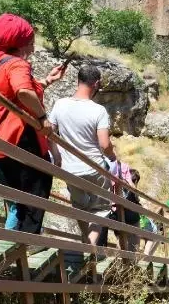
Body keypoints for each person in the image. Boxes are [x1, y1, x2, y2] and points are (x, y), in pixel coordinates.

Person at [0, 13, 66, 234]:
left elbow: (14, 91)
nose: (32, 46)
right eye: (30, 41)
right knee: (36, 187)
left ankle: (14, 240)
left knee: (20, 197)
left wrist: (48, 81)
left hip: (0, 139)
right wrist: (42, 118)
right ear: (20, 42)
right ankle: (26, 241)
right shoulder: (17, 64)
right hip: (20, 136)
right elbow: (22, 92)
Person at [48, 65, 118, 245]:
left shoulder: (60, 104)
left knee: (79, 206)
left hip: (69, 168)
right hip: (94, 167)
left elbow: (49, 133)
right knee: (101, 208)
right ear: (96, 84)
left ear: (78, 81)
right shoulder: (98, 110)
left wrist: (56, 157)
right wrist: (112, 157)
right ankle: (91, 244)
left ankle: (85, 240)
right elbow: (104, 144)